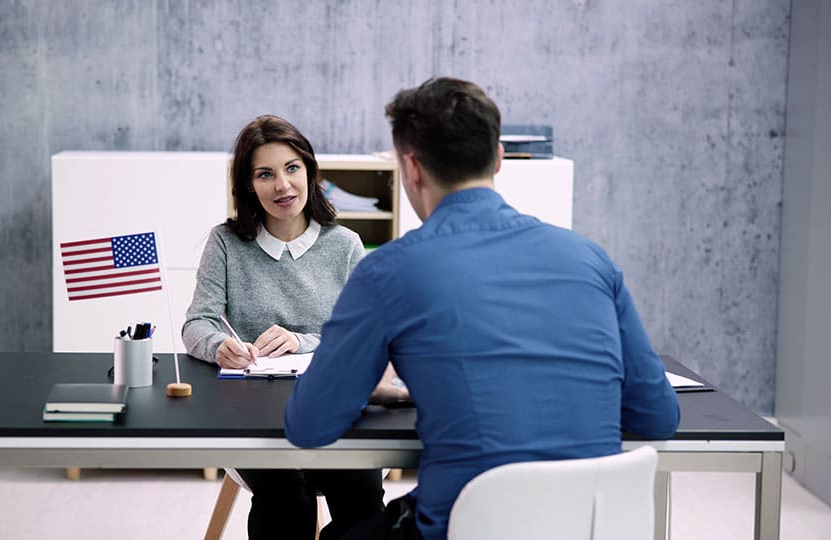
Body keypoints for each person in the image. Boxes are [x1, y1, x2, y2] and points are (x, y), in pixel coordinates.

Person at [284, 77, 681, 540]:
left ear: (410, 168)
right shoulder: (591, 260)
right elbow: (658, 416)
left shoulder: (388, 272)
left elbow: (309, 426)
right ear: (497, 158)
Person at [182, 114, 385, 540]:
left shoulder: (344, 245)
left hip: (334, 408)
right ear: (248, 185)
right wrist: (220, 345)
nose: (283, 186)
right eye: (265, 174)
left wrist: (303, 341)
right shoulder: (225, 242)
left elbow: (368, 336)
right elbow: (197, 323)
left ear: (310, 172)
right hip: (251, 415)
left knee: (361, 492)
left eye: (292, 169)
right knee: (285, 492)